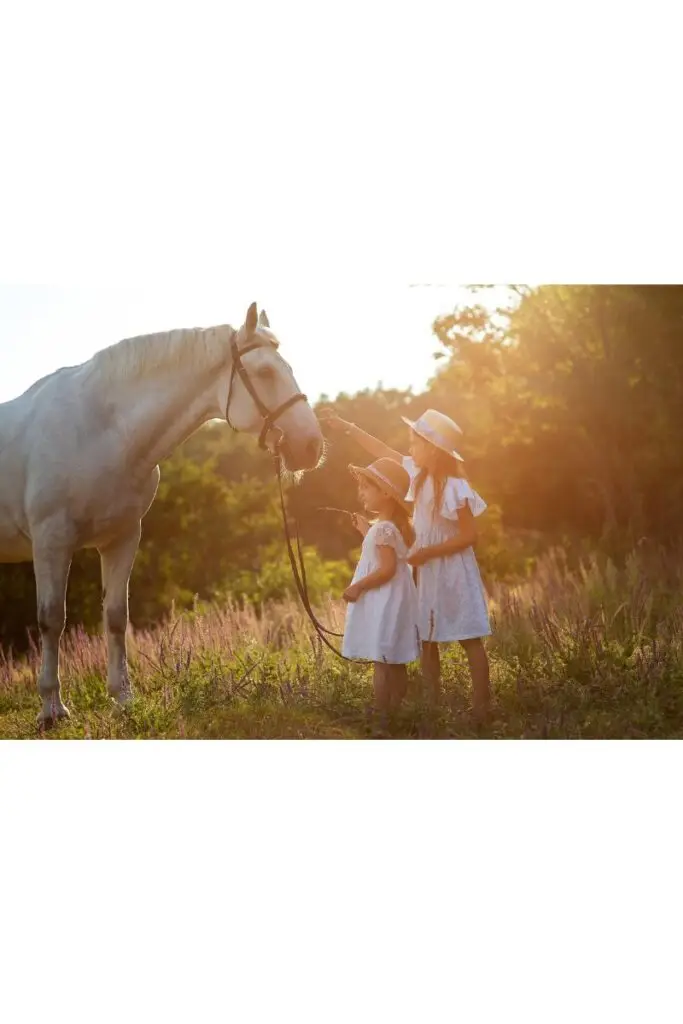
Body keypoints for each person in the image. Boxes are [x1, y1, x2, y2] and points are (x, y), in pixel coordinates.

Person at [322, 409, 491, 718]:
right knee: (427, 638)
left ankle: (482, 707)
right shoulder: (417, 475)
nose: (409, 449)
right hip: (426, 571)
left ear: (433, 448)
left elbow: (469, 536)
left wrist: (429, 552)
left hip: (452, 569)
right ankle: (432, 704)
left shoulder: (455, 487)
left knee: (469, 637)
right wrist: (348, 426)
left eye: (415, 443)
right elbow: (381, 450)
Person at [341, 457, 420, 714]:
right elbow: (385, 554)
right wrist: (366, 532)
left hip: (386, 601)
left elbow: (387, 568)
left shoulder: (384, 529)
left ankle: (382, 715)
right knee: (393, 658)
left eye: (366, 487)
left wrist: (358, 586)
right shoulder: (388, 528)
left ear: (385, 492)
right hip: (394, 600)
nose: (360, 492)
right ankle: (397, 709)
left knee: (382, 660)